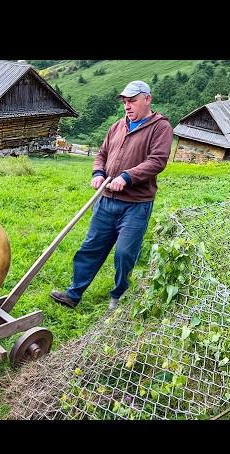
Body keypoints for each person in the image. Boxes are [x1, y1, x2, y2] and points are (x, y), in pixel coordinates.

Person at [50, 80, 173, 311]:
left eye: (132, 101)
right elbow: (102, 154)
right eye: (125, 102)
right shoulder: (118, 126)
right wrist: (98, 172)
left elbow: (157, 161)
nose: (127, 106)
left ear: (147, 99)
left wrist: (126, 177)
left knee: (125, 254)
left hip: (136, 205)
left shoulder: (160, 127)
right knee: (90, 248)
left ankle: (119, 296)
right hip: (106, 200)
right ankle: (73, 294)